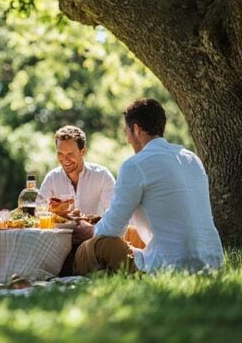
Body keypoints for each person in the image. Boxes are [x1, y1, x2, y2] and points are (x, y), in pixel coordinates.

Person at [73, 98, 224, 274]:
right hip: (212, 261)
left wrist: (89, 230)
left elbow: (113, 228)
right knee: (129, 233)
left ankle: (62, 274)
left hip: (170, 265)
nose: (128, 139)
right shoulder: (192, 158)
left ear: (136, 129)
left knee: (99, 244)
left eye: (126, 132)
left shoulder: (135, 165)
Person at [39, 125, 115, 216]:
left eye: (70, 154)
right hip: (60, 230)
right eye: (60, 153)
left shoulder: (102, 176)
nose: (65, 159)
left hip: (94, 230)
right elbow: (39, 212)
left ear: (82, 151)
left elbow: (115, 213)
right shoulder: (52, 178)